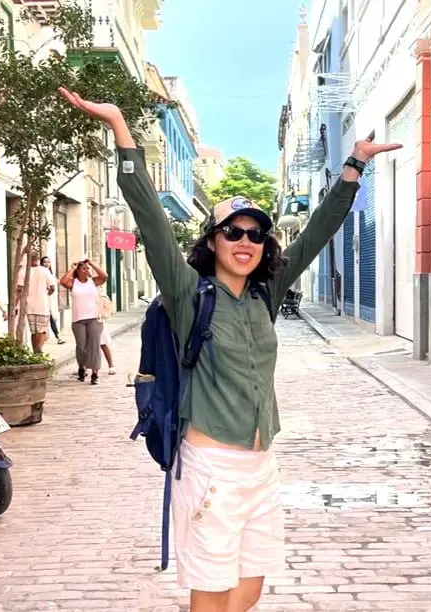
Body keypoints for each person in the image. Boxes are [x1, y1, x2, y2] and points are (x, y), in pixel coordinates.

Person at [59, 87, 401, 612]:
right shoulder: (188, 295)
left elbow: (318, 231)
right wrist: (120, 130)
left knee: (252, 582)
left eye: (256, 234)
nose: (246, 241)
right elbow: (149, 218)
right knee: (212, 587)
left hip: (262, 460)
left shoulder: (266, 293)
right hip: (211, 464)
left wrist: (354, 164)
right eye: (233, 232)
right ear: (213, 240)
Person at [60, 259, 109, 384]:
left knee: (94, 345)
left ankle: (95, 373)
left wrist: (92, 263)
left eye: (88, 269)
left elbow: (104, 276)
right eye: (84, 269)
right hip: (78, 319)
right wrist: (73, 268)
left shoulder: (93, 282)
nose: (86, 271)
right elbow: (63, 281)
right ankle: (82, 366)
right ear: (78, 271)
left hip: (94, 318)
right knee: (81, 346)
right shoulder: (74, 283)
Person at [15, 250, 55, 353]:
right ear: (38, 259)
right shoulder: (44, 271)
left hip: (29, 305)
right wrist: (47, 293)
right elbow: (52, 287)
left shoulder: (23, 271)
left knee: (34, 331)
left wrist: (16, 303)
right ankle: (38, 351)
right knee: (41, 331)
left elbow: (19, 289)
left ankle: (35, 351)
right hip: (42, 304)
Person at [41, 255, 66, 345]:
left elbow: (61, 282)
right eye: (45, 262)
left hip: (50, 300)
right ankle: (57, 337)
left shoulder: (51, 275)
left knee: (51, 319)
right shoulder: (41, 274)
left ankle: (56, 337)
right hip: (43, 300)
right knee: (48, 319)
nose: (47, 264)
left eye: (48, 262)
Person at [97, 293, 116, 375]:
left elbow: (107, 310)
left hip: (98, 321)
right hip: (87, 320)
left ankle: (111, 365)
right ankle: (85, 367)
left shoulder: (100, 295)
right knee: (87, 346)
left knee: (103, 344)